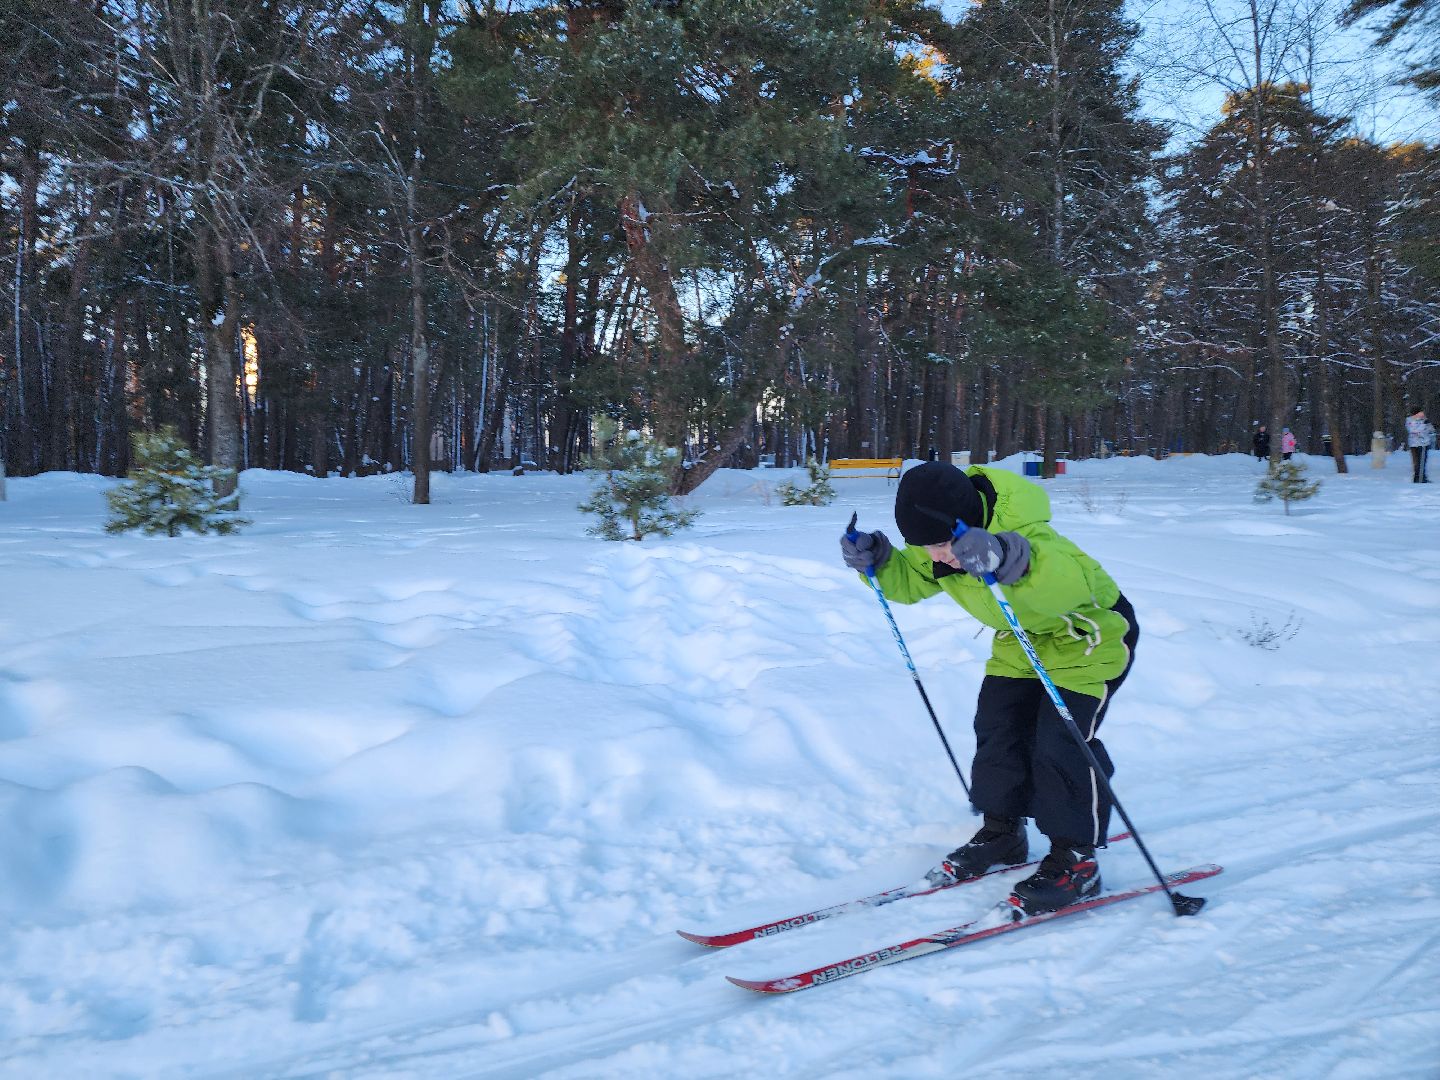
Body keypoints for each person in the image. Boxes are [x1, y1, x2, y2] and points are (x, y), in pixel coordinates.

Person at [840, 462, 1139, 916]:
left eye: (940, 546)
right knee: (998, 728)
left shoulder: (1030, 535)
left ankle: (1076, 860)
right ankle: (1003, 832)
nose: (936, 557)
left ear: (965, 523)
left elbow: (1062, 587)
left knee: (1059, 744)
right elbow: (913, 581)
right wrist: (879, 564)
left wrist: (1008, 559)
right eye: (925, 548)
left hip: (1086, 639)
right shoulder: (942, 543)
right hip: (1020, 641)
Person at [1406, 406, 1435, 483]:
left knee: (1423, 461)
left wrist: (1428, 424)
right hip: (1414, 444)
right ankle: (1417, 478)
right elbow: (1413, 430)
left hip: (1424, 443)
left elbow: (1431, 429)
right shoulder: (1409, 420)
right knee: (1417, 462)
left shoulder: (1424, 420)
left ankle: (1422, 477)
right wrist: (1423, 425)